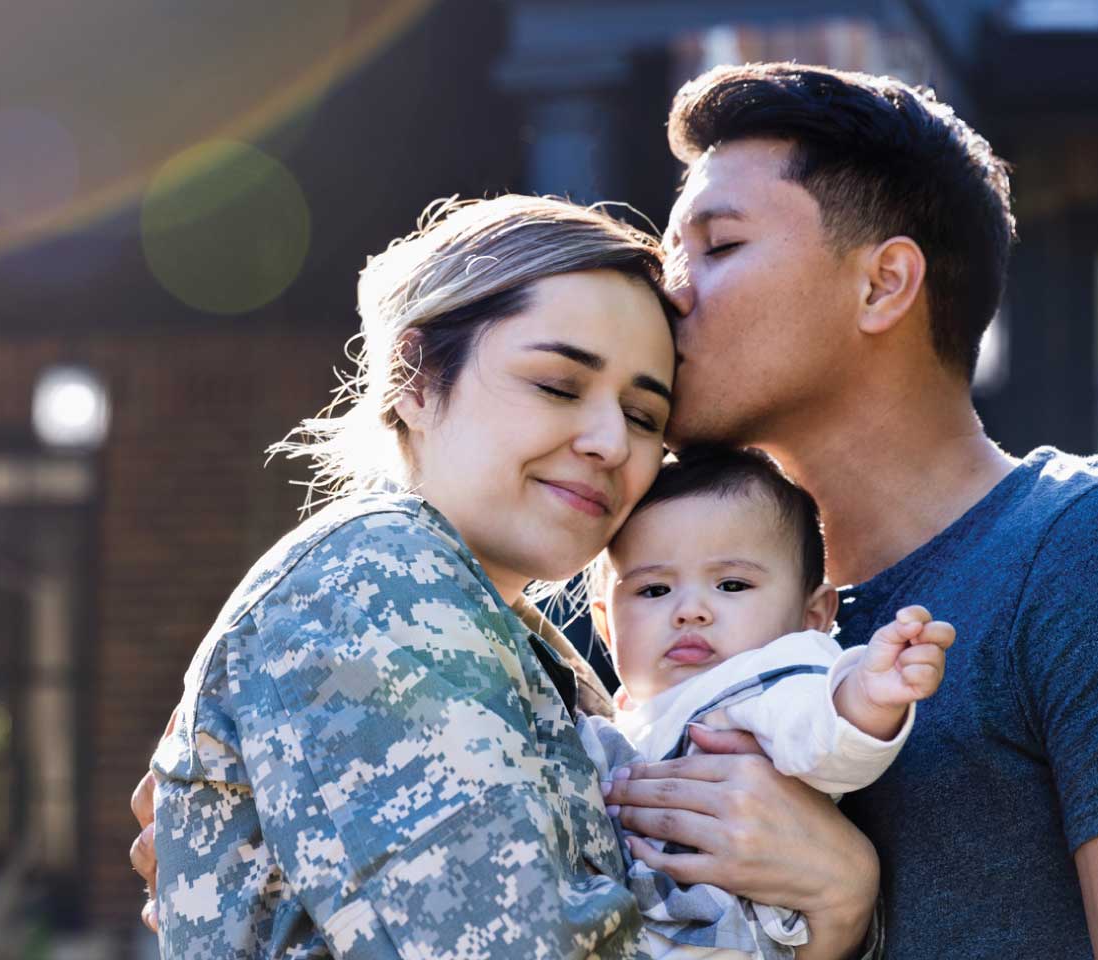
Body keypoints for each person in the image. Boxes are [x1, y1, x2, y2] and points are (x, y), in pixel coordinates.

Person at [594, 63, 1098, 959]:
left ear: (885, 284)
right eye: (667, 258)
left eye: (720, 247)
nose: (671, 293)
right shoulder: (645, 611)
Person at [143, 194, 878, 959]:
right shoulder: (374, 581)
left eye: (643, 417)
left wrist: (835, 888)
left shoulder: (527, 643)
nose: (607, 442)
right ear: (415, 380)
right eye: (559, 386)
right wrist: (838, 902)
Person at [580, 444, 952, 960]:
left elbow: (820, 733)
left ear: (814, 616)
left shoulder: (763, 677)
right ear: (606, 624)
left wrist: (867, 693)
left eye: (732, 584)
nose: (690, 610)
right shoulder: (625, 715)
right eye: (654, 590)